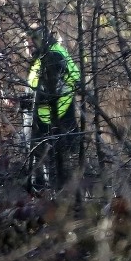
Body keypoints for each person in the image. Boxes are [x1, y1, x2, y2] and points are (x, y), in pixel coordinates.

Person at [23, 24, 81, 189]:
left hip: (52, 124)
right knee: (47, 175)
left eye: (29, 42)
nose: (26, 47)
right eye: (25, 43)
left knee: (52, 179)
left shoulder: (52, 56)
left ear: (39, 40)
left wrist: (33, 100)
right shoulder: (45, 55)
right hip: (49, 123)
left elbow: (55, 89)